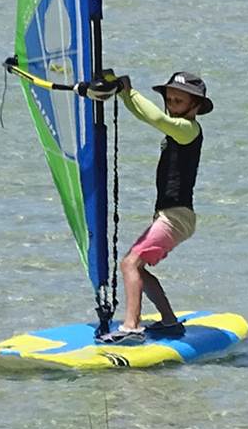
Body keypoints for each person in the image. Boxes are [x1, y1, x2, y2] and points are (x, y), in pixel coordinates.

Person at [83, 70, 212, 344]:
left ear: (196, 106)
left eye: (179, 101)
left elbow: (155, 118)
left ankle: (132, 327)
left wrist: (129, 92)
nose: (172, 105)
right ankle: (169, 322)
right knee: (136, 266)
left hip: (176, 218)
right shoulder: (177, 127)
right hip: (171, 216)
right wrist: (123, 94)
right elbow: (148, 116)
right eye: (170, 99)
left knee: (130, 264)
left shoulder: (188, 129)